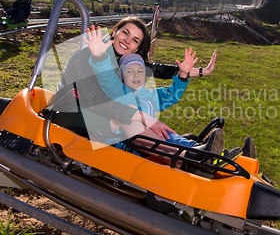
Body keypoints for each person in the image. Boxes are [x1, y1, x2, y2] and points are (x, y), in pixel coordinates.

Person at [49, 17, 230, 169]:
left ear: (137, 48)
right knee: (131, 117)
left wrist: (199, 71)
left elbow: (157, 69)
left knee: (134, 113)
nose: (128, 41)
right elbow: (94, 99)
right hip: (72, 112)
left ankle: (191, 153)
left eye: (135, 40)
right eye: (125, 33)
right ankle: (187, 154)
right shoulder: (92, 53)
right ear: (115, 31)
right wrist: (139, 115)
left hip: (101, 113)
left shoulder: (123, 60)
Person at [85, 27, 243, 164]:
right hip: (132, 144)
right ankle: (197, 152)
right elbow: (106, 79)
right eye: (129, 72)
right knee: (165, 136)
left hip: (153, 143)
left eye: (140, 71)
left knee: (171, 136)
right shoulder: (119, 91)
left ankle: (213, 153)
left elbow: (172, 94)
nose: (136, 75)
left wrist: (182, 75)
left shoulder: (150, 95)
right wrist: (99, 56)